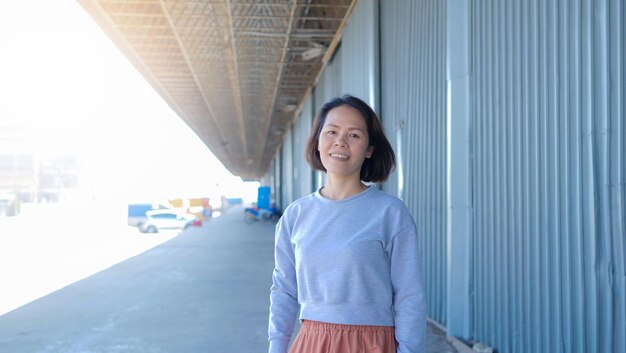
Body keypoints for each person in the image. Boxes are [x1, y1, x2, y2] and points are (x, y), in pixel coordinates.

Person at [268, 95, 426, 353]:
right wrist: (277, 347)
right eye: (331, 132)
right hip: (312, 342)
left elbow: (409, 295)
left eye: (354, 135)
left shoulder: (390, 213)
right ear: (318, 141)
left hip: (371, 344)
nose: (340, 141)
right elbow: (284, 291)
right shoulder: (295, 215)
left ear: (369, 150)